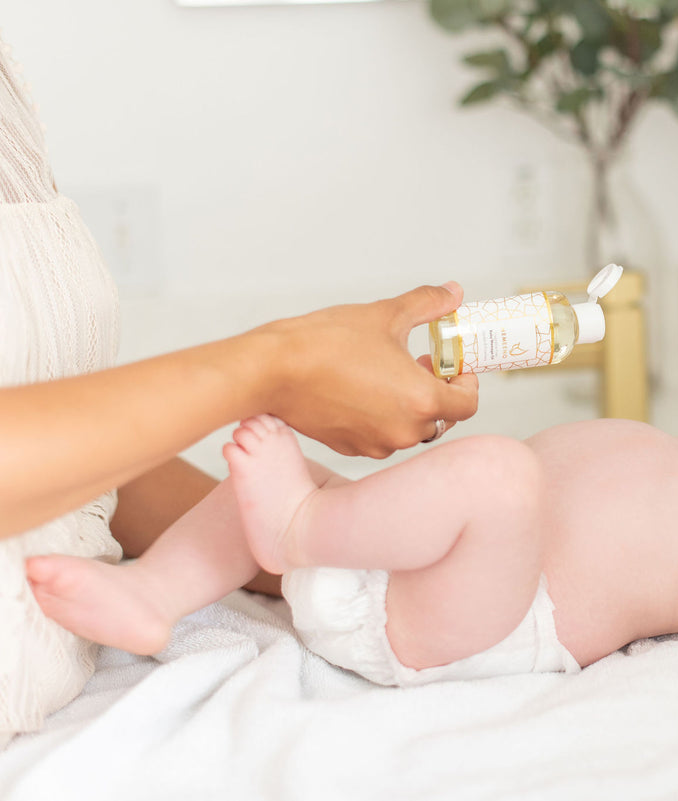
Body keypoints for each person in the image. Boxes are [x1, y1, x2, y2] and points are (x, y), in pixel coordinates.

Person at [0, 33, 477, 741]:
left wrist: (319, 538)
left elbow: (63, 443)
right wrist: (276, 365)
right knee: (493, 475)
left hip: (63, 649)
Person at [27, 376, 678, 693]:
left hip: (480, 621)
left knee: (504, 477)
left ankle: (301, 526)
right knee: (269, 458)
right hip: (432, 568)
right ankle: (154, 596)